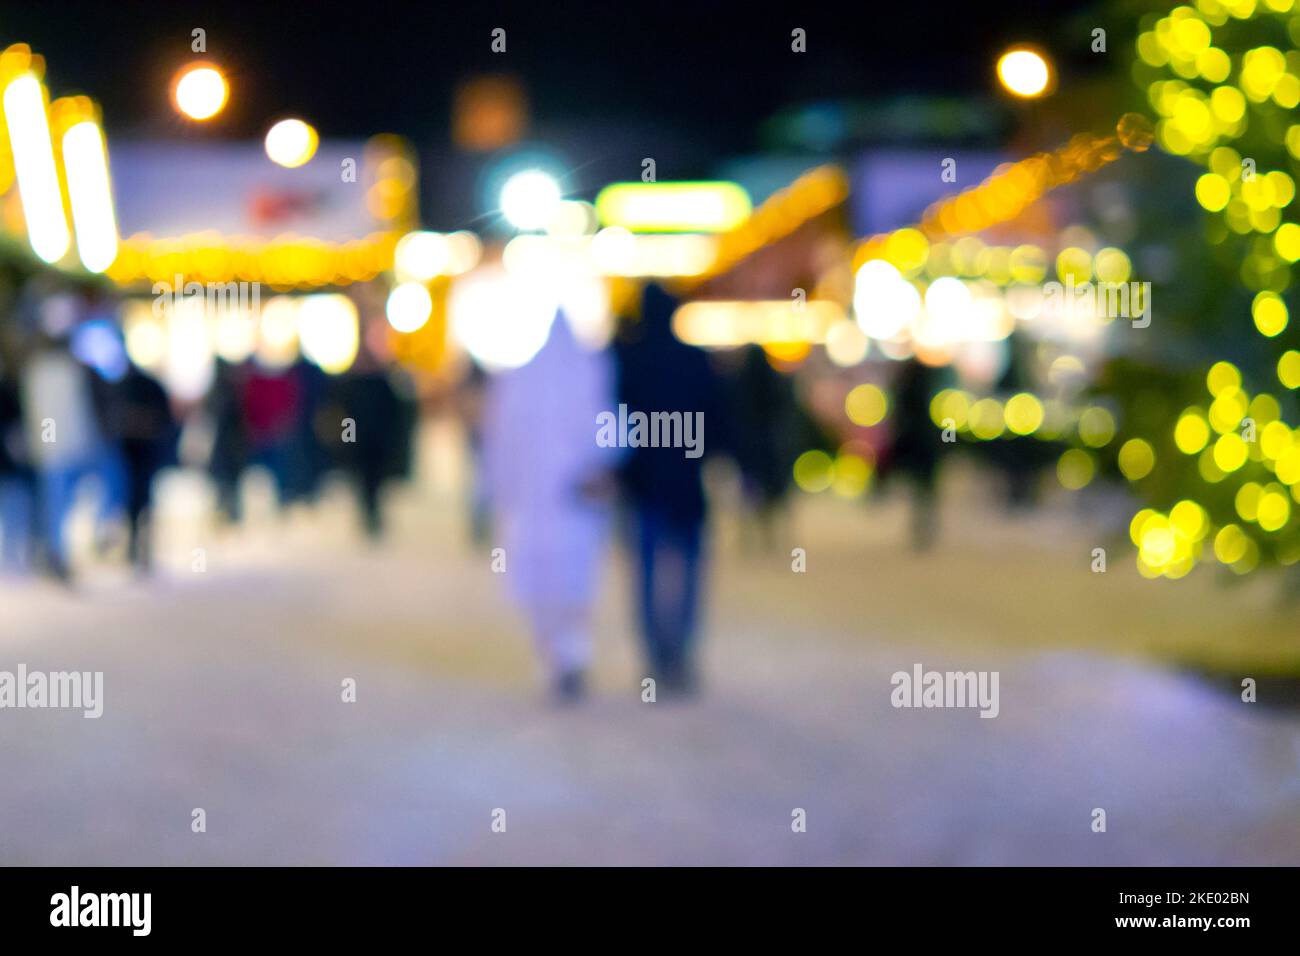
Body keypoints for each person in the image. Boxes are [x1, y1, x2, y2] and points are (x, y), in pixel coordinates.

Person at [481, 311, 616, 702]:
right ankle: (568, 656)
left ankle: (561, 658)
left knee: (550, 584)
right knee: (569, 585)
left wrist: (498, 491)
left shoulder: (521, 380)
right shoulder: (588, 374)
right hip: (567, 506)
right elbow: (607, 432)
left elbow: (499, 441)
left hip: (550, 506)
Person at [615, 283, 724, 696]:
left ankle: (656, 654)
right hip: (686, 488)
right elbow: (716, 420)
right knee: (689, 572)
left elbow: (616, 423)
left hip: (644, 488)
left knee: (646, 574)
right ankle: (680, 651)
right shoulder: (694, 360)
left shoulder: (630, 360)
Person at [99, 361, 176, 571]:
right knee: (141, 500)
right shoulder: (148, 386)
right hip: (140, 452)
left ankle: (136, 549)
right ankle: (139, 549)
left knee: (133, 500)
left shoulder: (123, 388)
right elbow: (167, 419)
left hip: (133, 451)